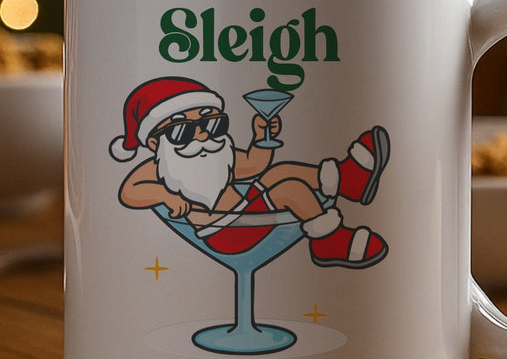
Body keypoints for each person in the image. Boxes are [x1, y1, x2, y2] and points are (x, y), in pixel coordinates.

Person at [110, 76, 389, 268]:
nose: (203, 134)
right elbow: (129, 192)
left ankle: (347, 179)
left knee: (281, 171)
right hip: (224, 231)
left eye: (212, 123)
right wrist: (165, 195)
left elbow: (255, 166)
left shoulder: (219, 156)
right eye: (183, 130)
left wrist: (261, 139)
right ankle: (328, 241)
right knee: (287, 190)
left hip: (245, 212)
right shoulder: (159, 168)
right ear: (155, 142)